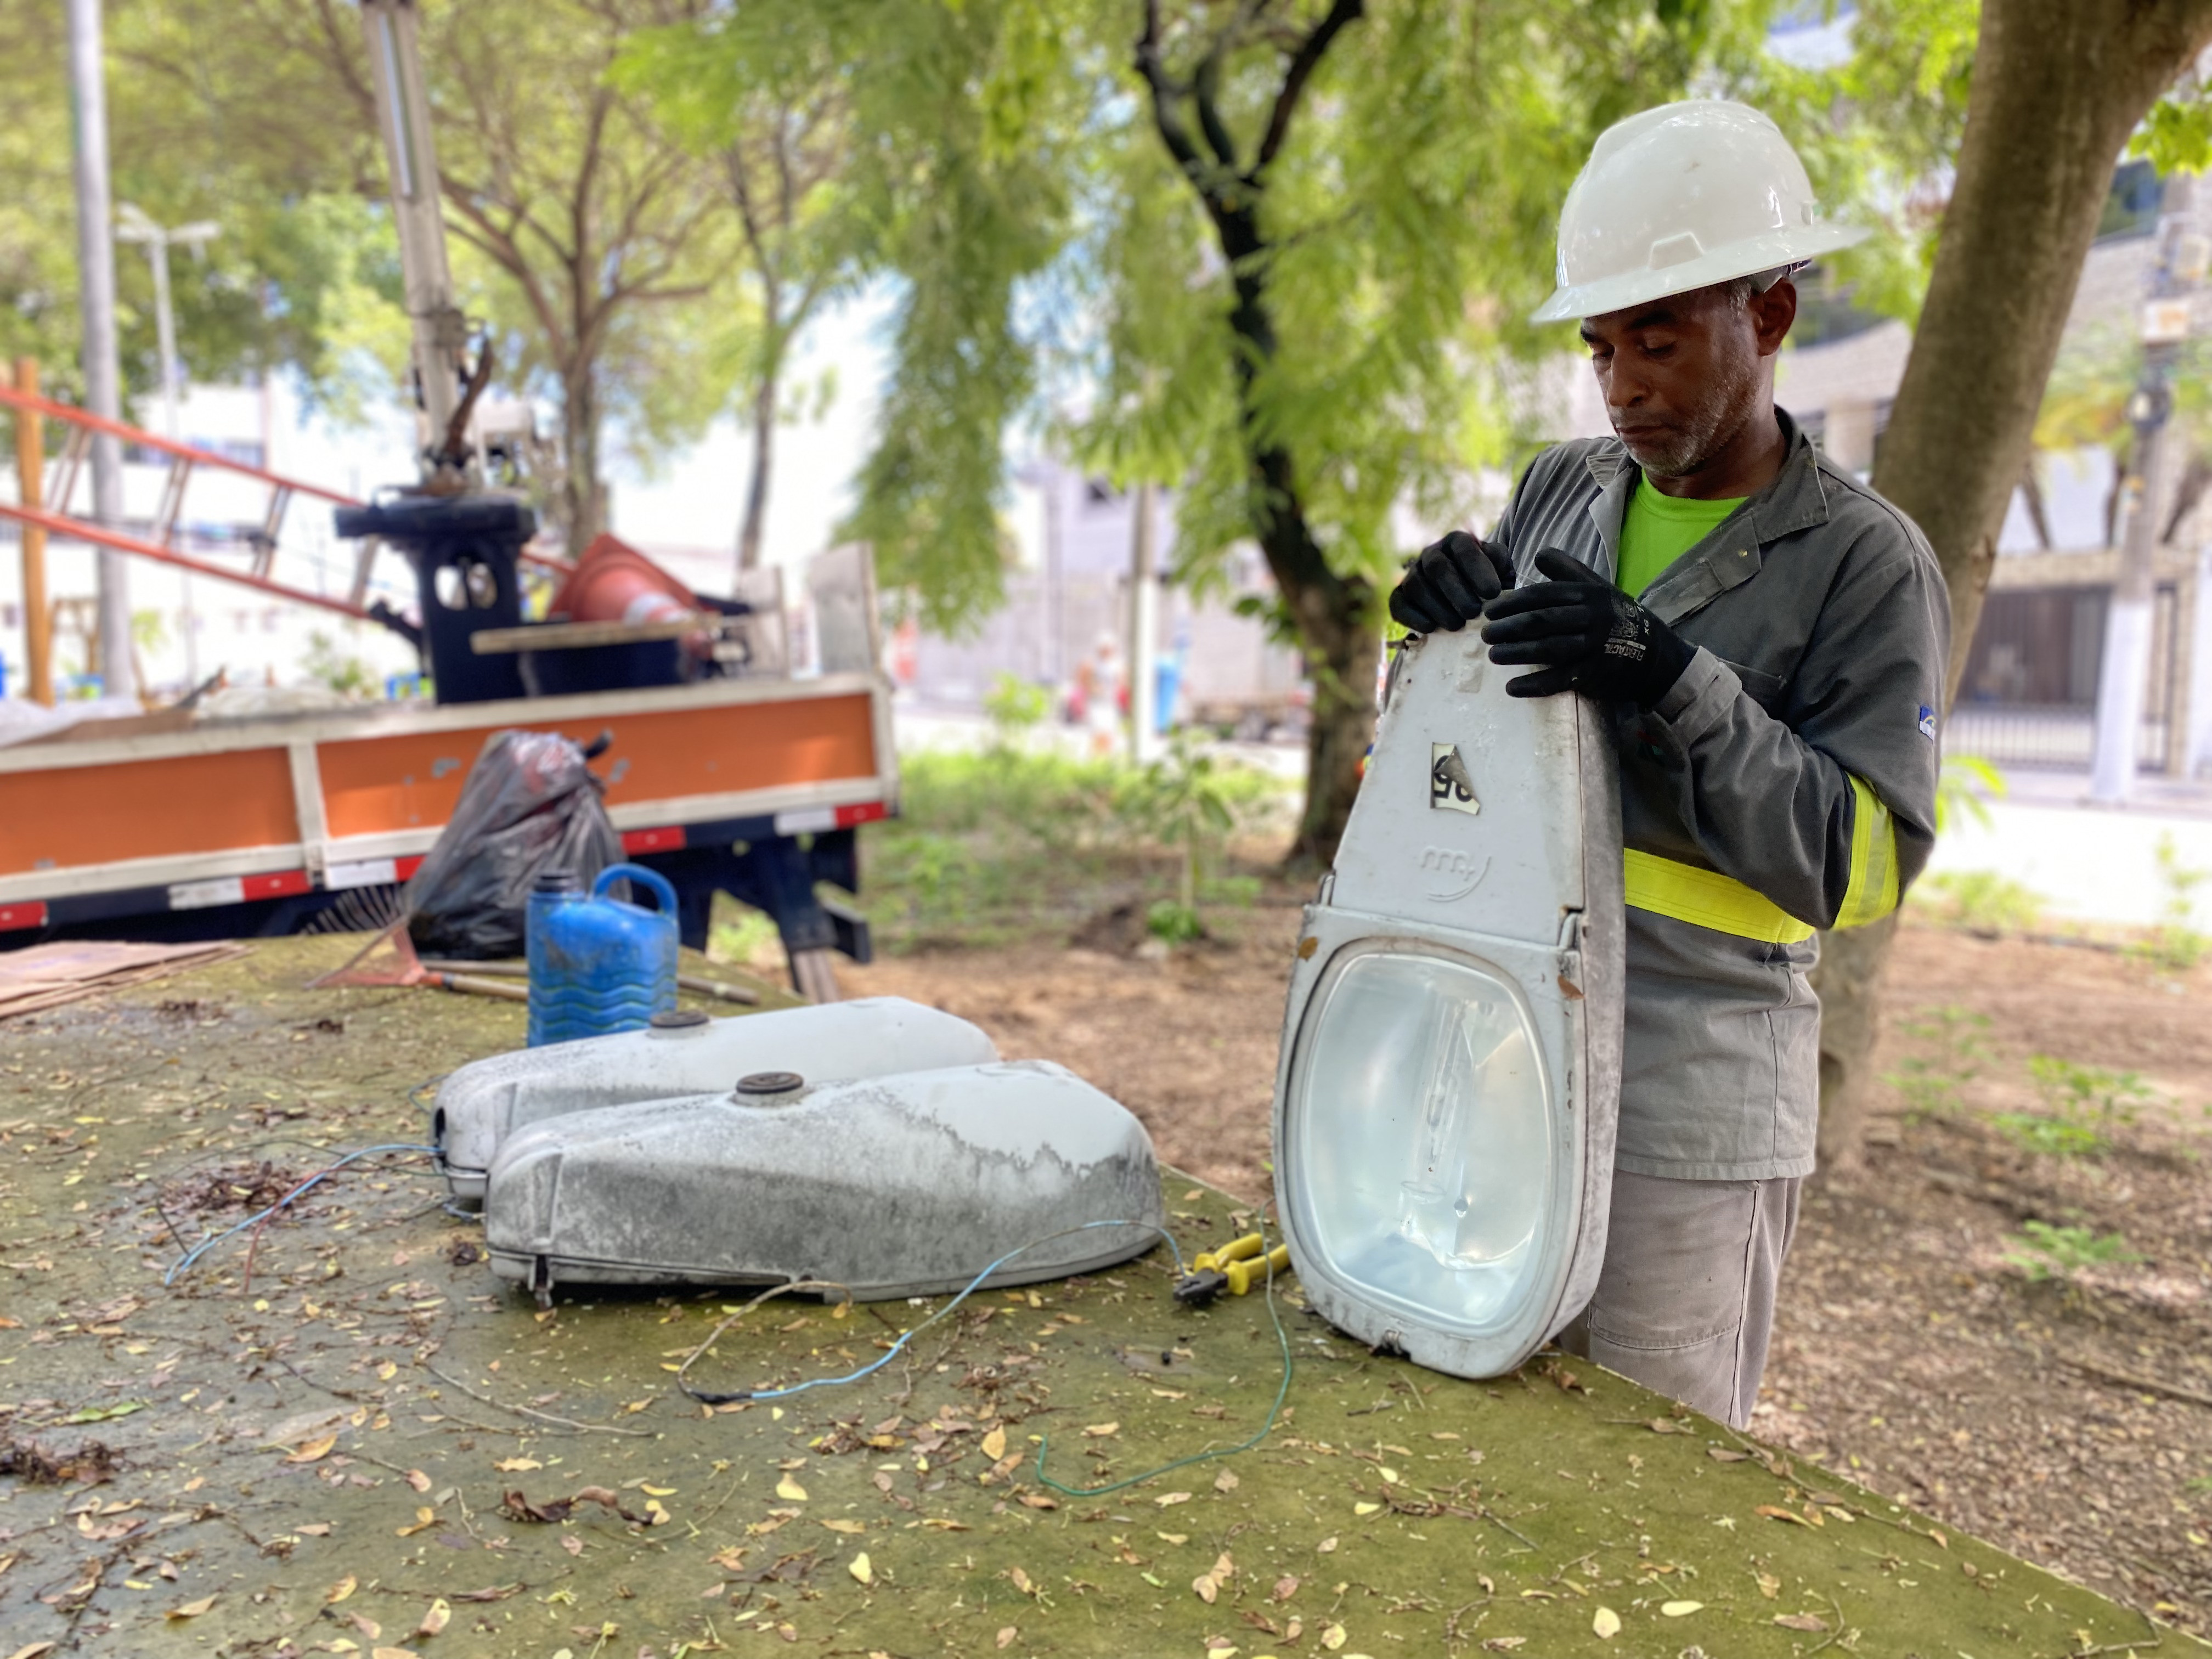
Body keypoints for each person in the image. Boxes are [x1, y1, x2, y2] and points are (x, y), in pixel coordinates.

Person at [1387, 100, 1950, 1430]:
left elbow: (1858, 866)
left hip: (1693, 1099)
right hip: (1510, 1046)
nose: (1625, 385)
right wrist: (1430, 642)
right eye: (1601, 349)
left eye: (1661, 339)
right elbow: (1471, 768)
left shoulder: (1865, 565)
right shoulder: (1560, 494)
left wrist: (1665, 672)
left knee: (1654, 1468)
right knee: (1483, 1414)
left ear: (1768, 318)